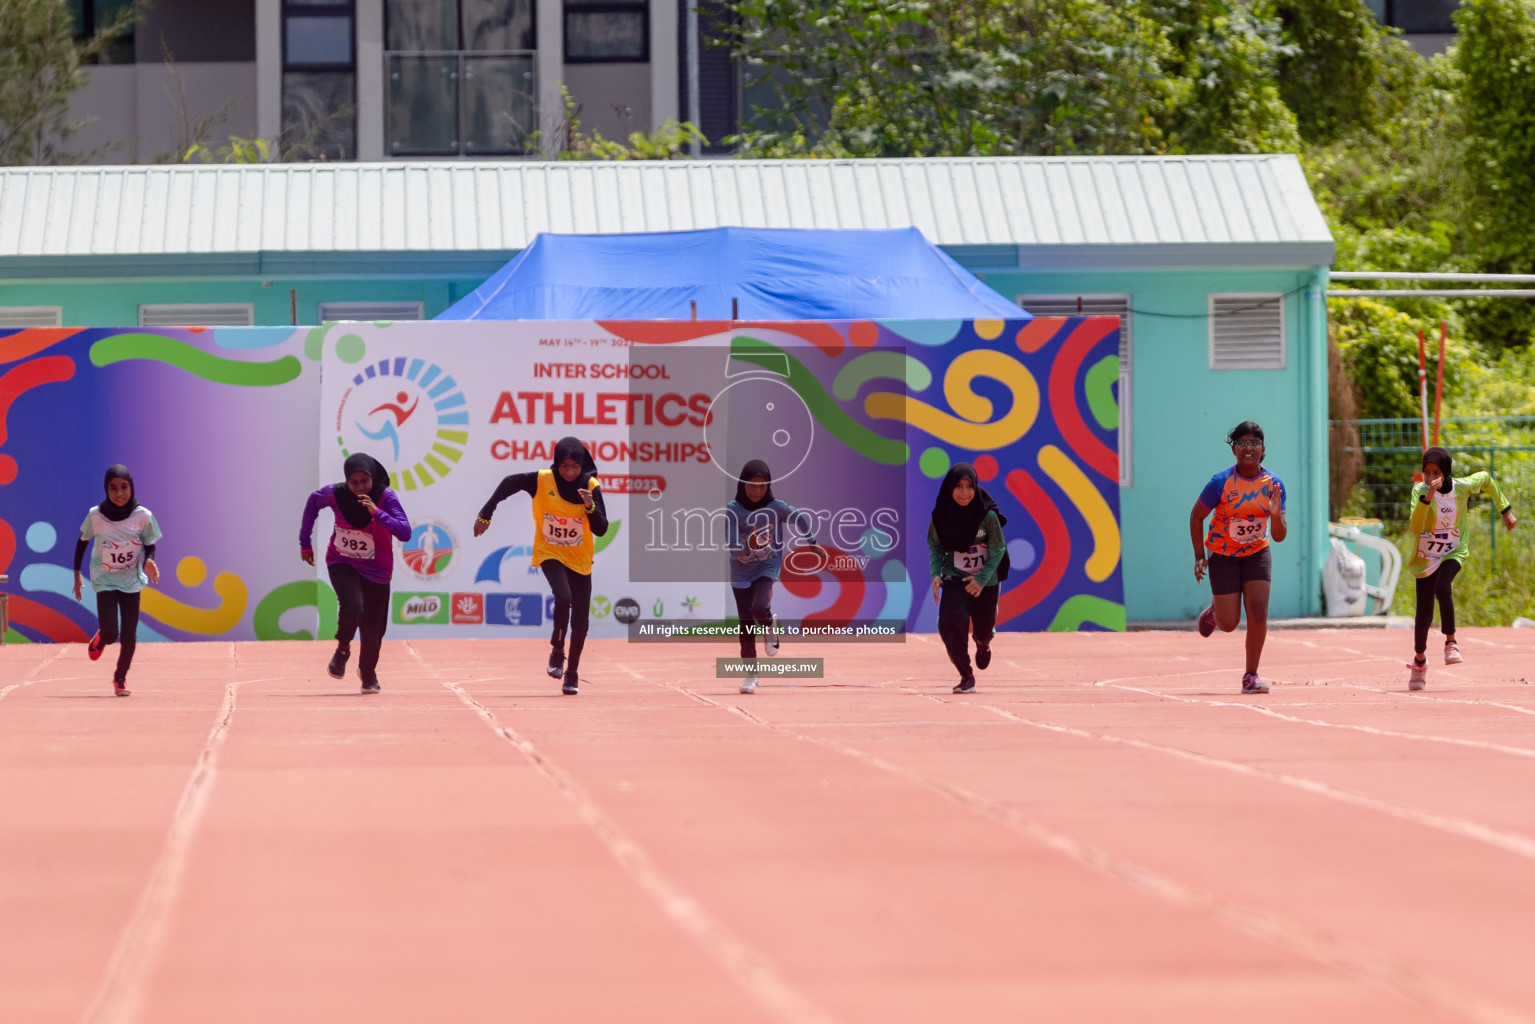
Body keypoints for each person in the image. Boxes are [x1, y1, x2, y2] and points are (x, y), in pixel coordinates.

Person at [474, 437, 607, 695]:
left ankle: (572, 673)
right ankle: (558, 650)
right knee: (563, 596)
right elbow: (507, 485)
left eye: (574, 467)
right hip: (550, 551)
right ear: (557, 463)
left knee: (581, 622)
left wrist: (590, 506)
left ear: (583, 465)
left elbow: (601, 529)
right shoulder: (542, 479)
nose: (569, 473)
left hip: (580, 559)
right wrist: (485, 513)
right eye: (564, 466)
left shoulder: (590, 486)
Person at [1405, 446, 1516, 690]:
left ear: (1446, 471)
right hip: (1426, 557)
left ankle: (1451, 642)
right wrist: (1429, 496)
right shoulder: (1420, 492)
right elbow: (1415, 527)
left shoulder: (1462, 487)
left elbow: (1486, 478)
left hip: (1454, 551)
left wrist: (1505, 510)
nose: (1431, 476)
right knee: (1423, 615)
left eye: (1436, 472)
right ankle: (1420, 661)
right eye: (1426, 472)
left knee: (1443, 587)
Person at [300, 453, 411, 694]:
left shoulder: (385, 497)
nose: (360, 487)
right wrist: (305, 543)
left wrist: (376, 512)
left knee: (373, 631)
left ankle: (367, 672)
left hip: (378, 571)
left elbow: (405, 532)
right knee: (352, 605)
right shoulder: (335, 494)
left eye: (365, 481)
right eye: (354, 482)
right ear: (346, 482)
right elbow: (312, 503)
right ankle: (342, 650)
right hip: (342, 561)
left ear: (373, 478)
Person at [1190, 421, 1286, 695]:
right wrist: (1200, 556)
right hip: (1224, 556)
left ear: (1263, 449)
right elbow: (1196, 516)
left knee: (1258, 612)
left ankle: (1251, 675)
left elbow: (1279, 536)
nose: (1248, 448)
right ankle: (1215, 612)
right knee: (1229, 624)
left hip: (1257, 553)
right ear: (1234, 450)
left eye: (1254, 443)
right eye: (1242, 443)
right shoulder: (1220, 482)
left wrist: (1276, 515)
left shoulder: (1273, 484)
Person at [725, 459, 824, 694]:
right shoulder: (733, 509)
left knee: (759, 607)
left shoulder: (776, 507)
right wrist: (748, 544)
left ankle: (769, 623)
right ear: (742, 484)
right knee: (746, 625)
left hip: (767, 566)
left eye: (762, 486)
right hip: (740, 572)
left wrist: (812, 541)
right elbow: (732, 546)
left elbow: (798, 516)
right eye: (752, 485)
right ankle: (751, 676)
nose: (757, 491)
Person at [72, 464, 161, 697]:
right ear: (106, 490)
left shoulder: (144, 516)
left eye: (124, 487)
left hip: (131, 581)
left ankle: (120, 679)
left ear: (131, 487)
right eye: (113, 488)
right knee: (112, 633)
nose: (120, 493)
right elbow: (82, 542)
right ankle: (103, 636)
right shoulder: (95, 515)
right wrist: (76, 574)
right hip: (105, 580)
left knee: (129, 636)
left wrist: (149, 561)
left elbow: (150, 543)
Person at [928, 463, 1008, 694]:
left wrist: (981, 580)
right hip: (955, 577)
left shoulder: (987, 516)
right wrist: (935, 574)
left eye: (969, 487)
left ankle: (983, 643)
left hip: (987, 581)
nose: (964, 493)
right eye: (958, 487)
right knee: (950, 625)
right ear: (949, 488)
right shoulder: (940, 516)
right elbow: (936, 547)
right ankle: (966, 675)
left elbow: (998, 550)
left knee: (982, 631)